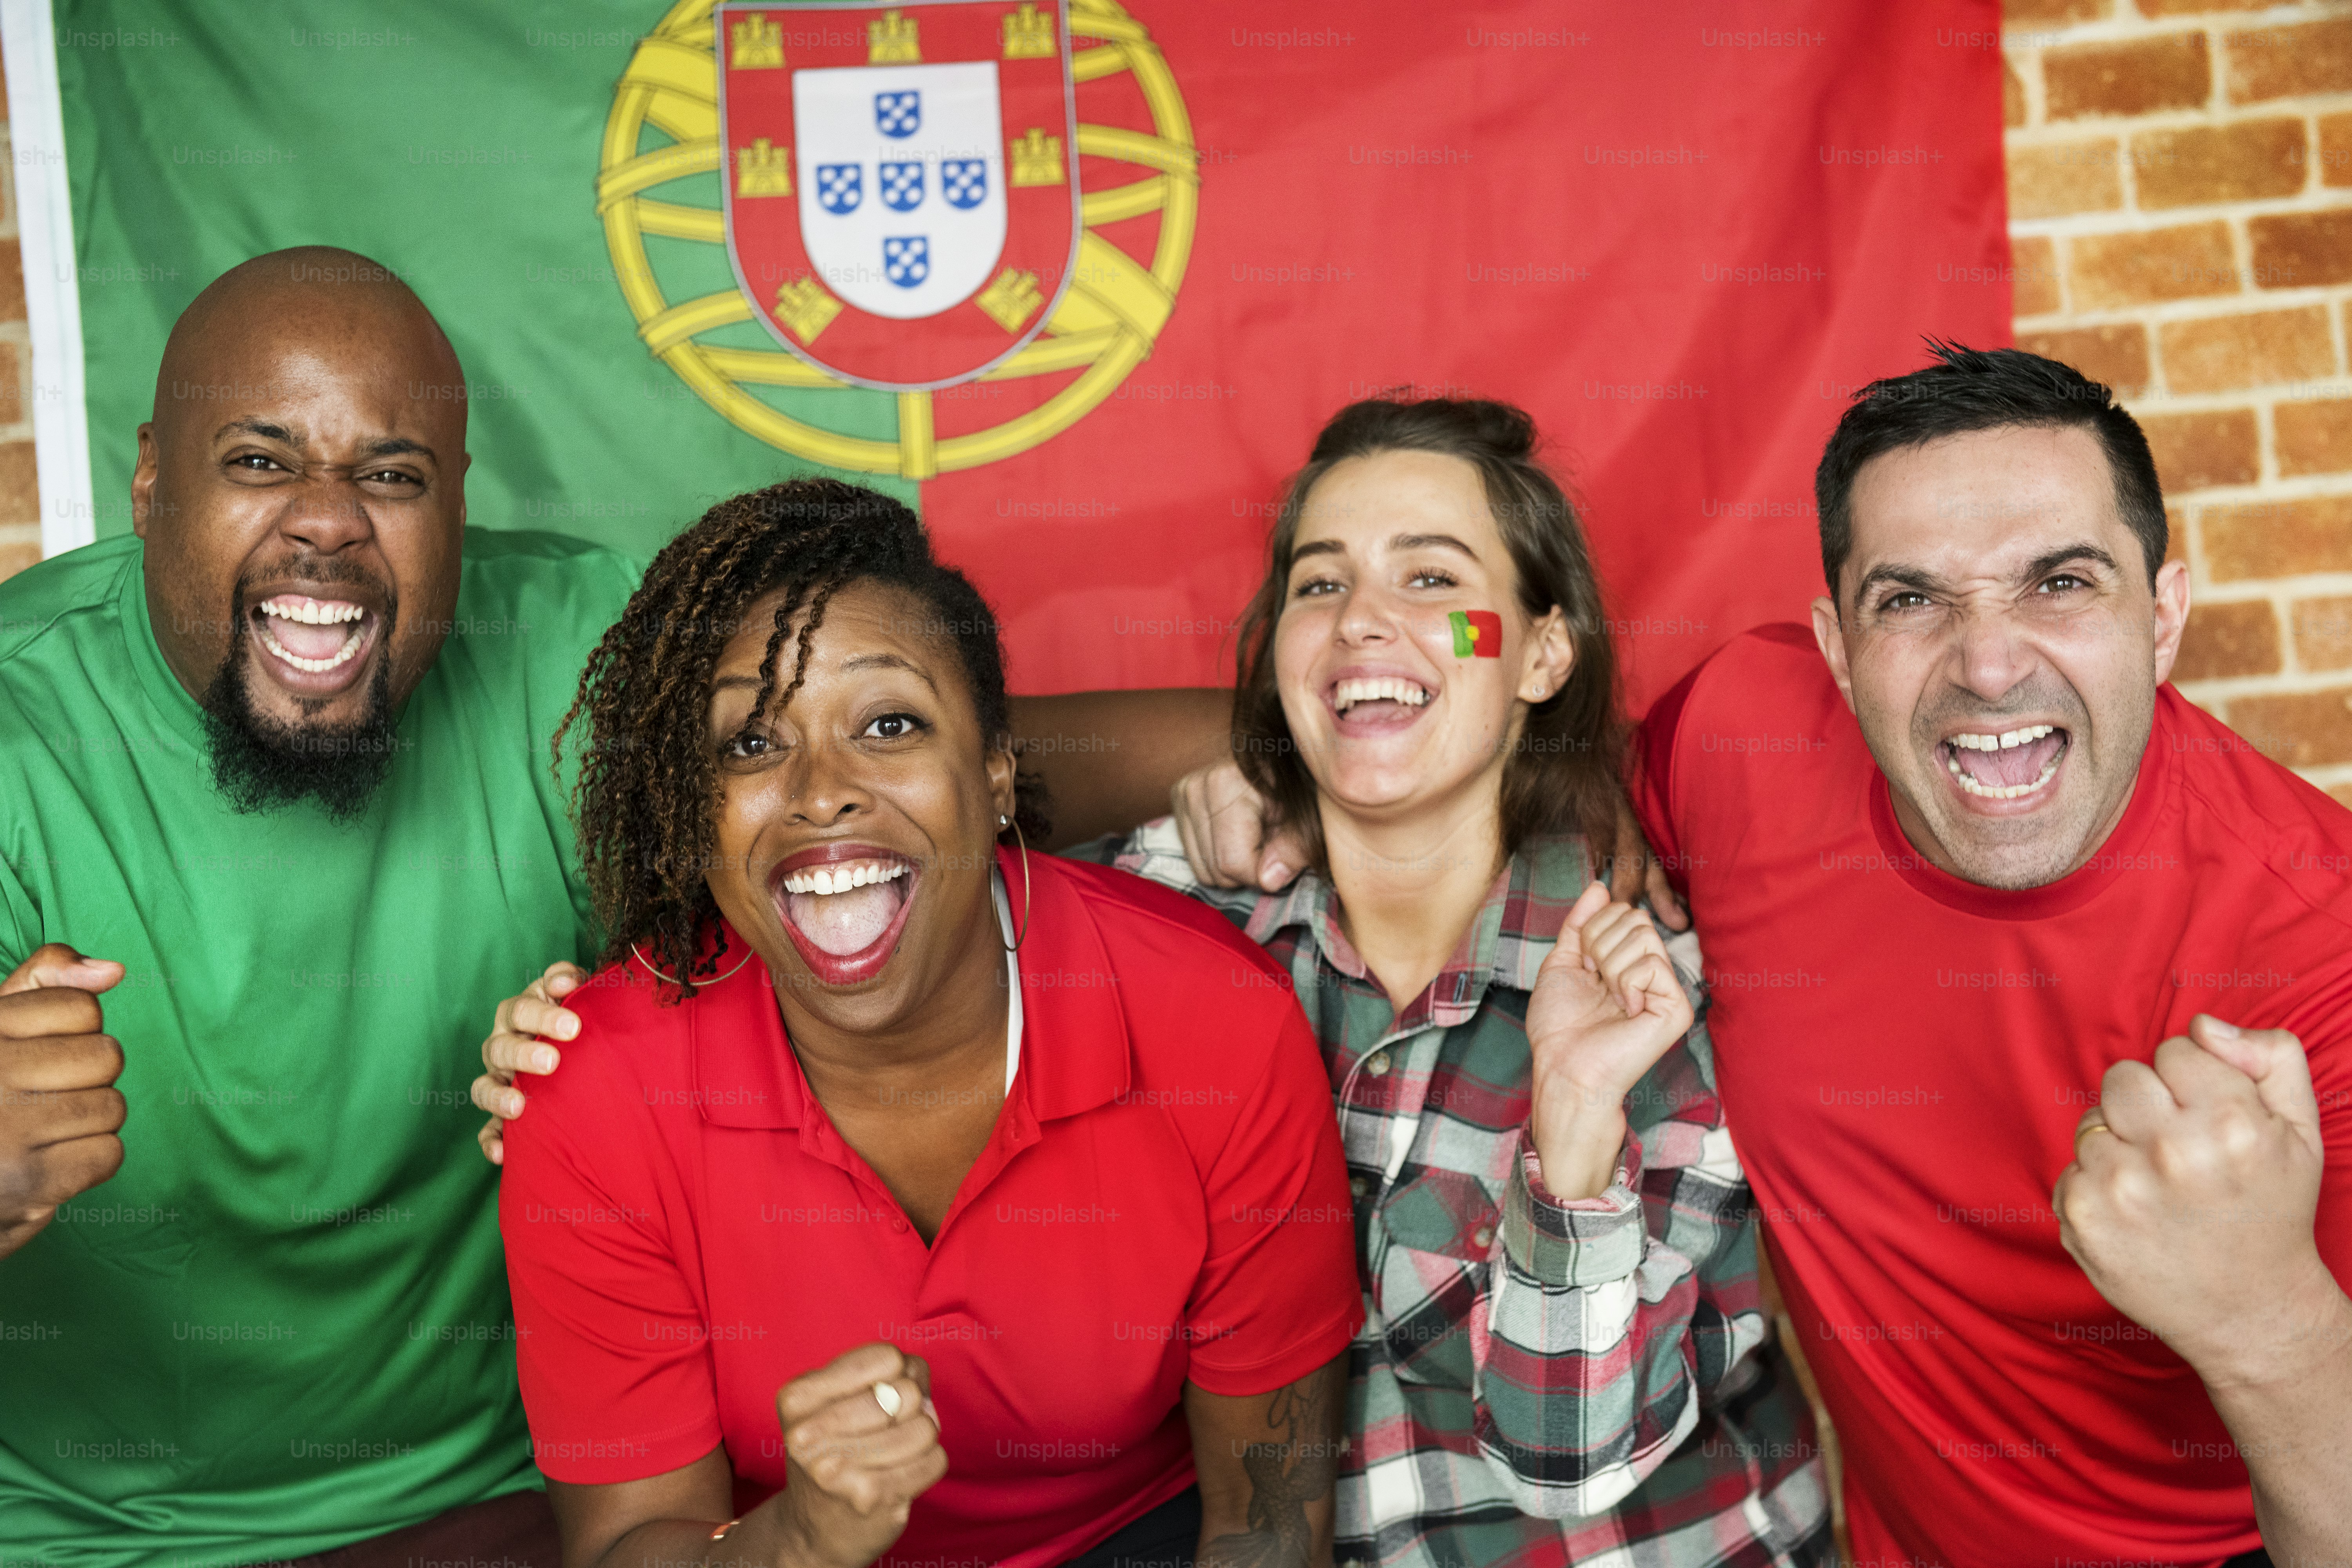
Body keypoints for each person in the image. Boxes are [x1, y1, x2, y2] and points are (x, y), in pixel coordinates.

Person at [0, 247, 1213, 1568]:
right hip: (92, 1536)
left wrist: (1303, 751)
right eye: (259, 461)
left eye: (392, 474)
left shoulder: (565, 648)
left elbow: (893, 775)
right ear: (149, 479)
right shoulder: (22, 728)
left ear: (457, 505)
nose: (328, 519)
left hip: (504, 1506)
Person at [478, 400, 1831, 1567]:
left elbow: (1569, 1455)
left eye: (1433, 581)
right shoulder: (1199, 902)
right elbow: (929, 812)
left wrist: (1577, 1124)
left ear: (1543, 651)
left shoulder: (1648, 981)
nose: (1365, 618)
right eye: (1318, 585)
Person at [1148, 348, 2352, 1567]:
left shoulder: (2319, 954)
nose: (1990, 667)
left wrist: (2275, 1325)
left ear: (2164, 617)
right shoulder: (1740, 744)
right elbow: (1458, 701)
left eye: (2060, 583)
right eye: (1911, 600)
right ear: (1834, 645)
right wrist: (1267, 772)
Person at [493, 477, 1363, 1568]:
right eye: (752, 746)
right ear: (691, 808)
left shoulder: (1218, 1025)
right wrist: (803, 1540)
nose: (821, 793)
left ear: (997, 773)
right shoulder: (597, 1095)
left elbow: (1270, 1521)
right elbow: (627, 1545)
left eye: (889, 724)